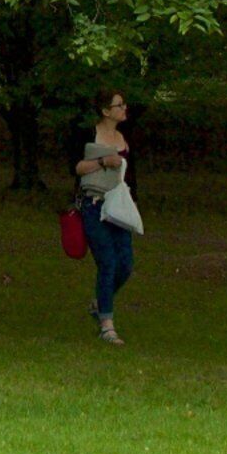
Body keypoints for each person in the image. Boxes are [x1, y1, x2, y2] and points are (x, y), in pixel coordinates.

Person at [73, 90, 142, 344]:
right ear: (105, 111)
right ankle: (107, 324)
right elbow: (78, 168)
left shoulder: (124, 138)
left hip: (117, 207)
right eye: (119, 105)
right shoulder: (90, 135)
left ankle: (100, 302)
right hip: (94, 205)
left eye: (124, 103)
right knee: (107, 262)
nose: (124, 108)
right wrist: (104, 161)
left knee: (125, 264)